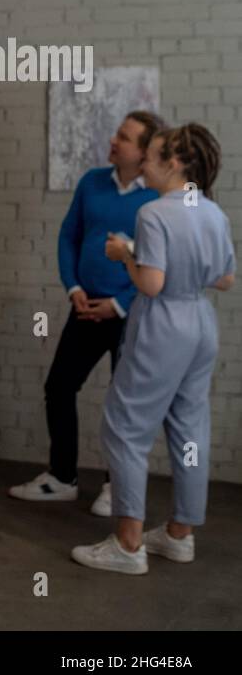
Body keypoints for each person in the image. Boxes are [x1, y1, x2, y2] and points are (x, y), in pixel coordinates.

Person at [72, 123, 235, 574]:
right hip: (200, 324)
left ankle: (127, 545)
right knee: (189, 430)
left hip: (162, 325)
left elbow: (152, 282)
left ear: (175, 163)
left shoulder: (155, 213)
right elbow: (224, 278)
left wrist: (125, 253)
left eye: (154, 154)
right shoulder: (211, 212)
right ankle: (180, 535)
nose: (144, 160)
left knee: (124, 428)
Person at [9, 111, 163, 511]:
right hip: (85, 306)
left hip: (132, 315)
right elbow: (68, 236)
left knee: (124, 404)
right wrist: (73, 287)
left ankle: (118, 487)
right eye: (117, 134)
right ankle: (62, 477)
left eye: (125, 138)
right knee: (59, 387)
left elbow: (162, 263)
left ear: (144, 152)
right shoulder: (92, 182)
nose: (114, 141)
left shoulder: (158, 197)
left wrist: (119, 303)